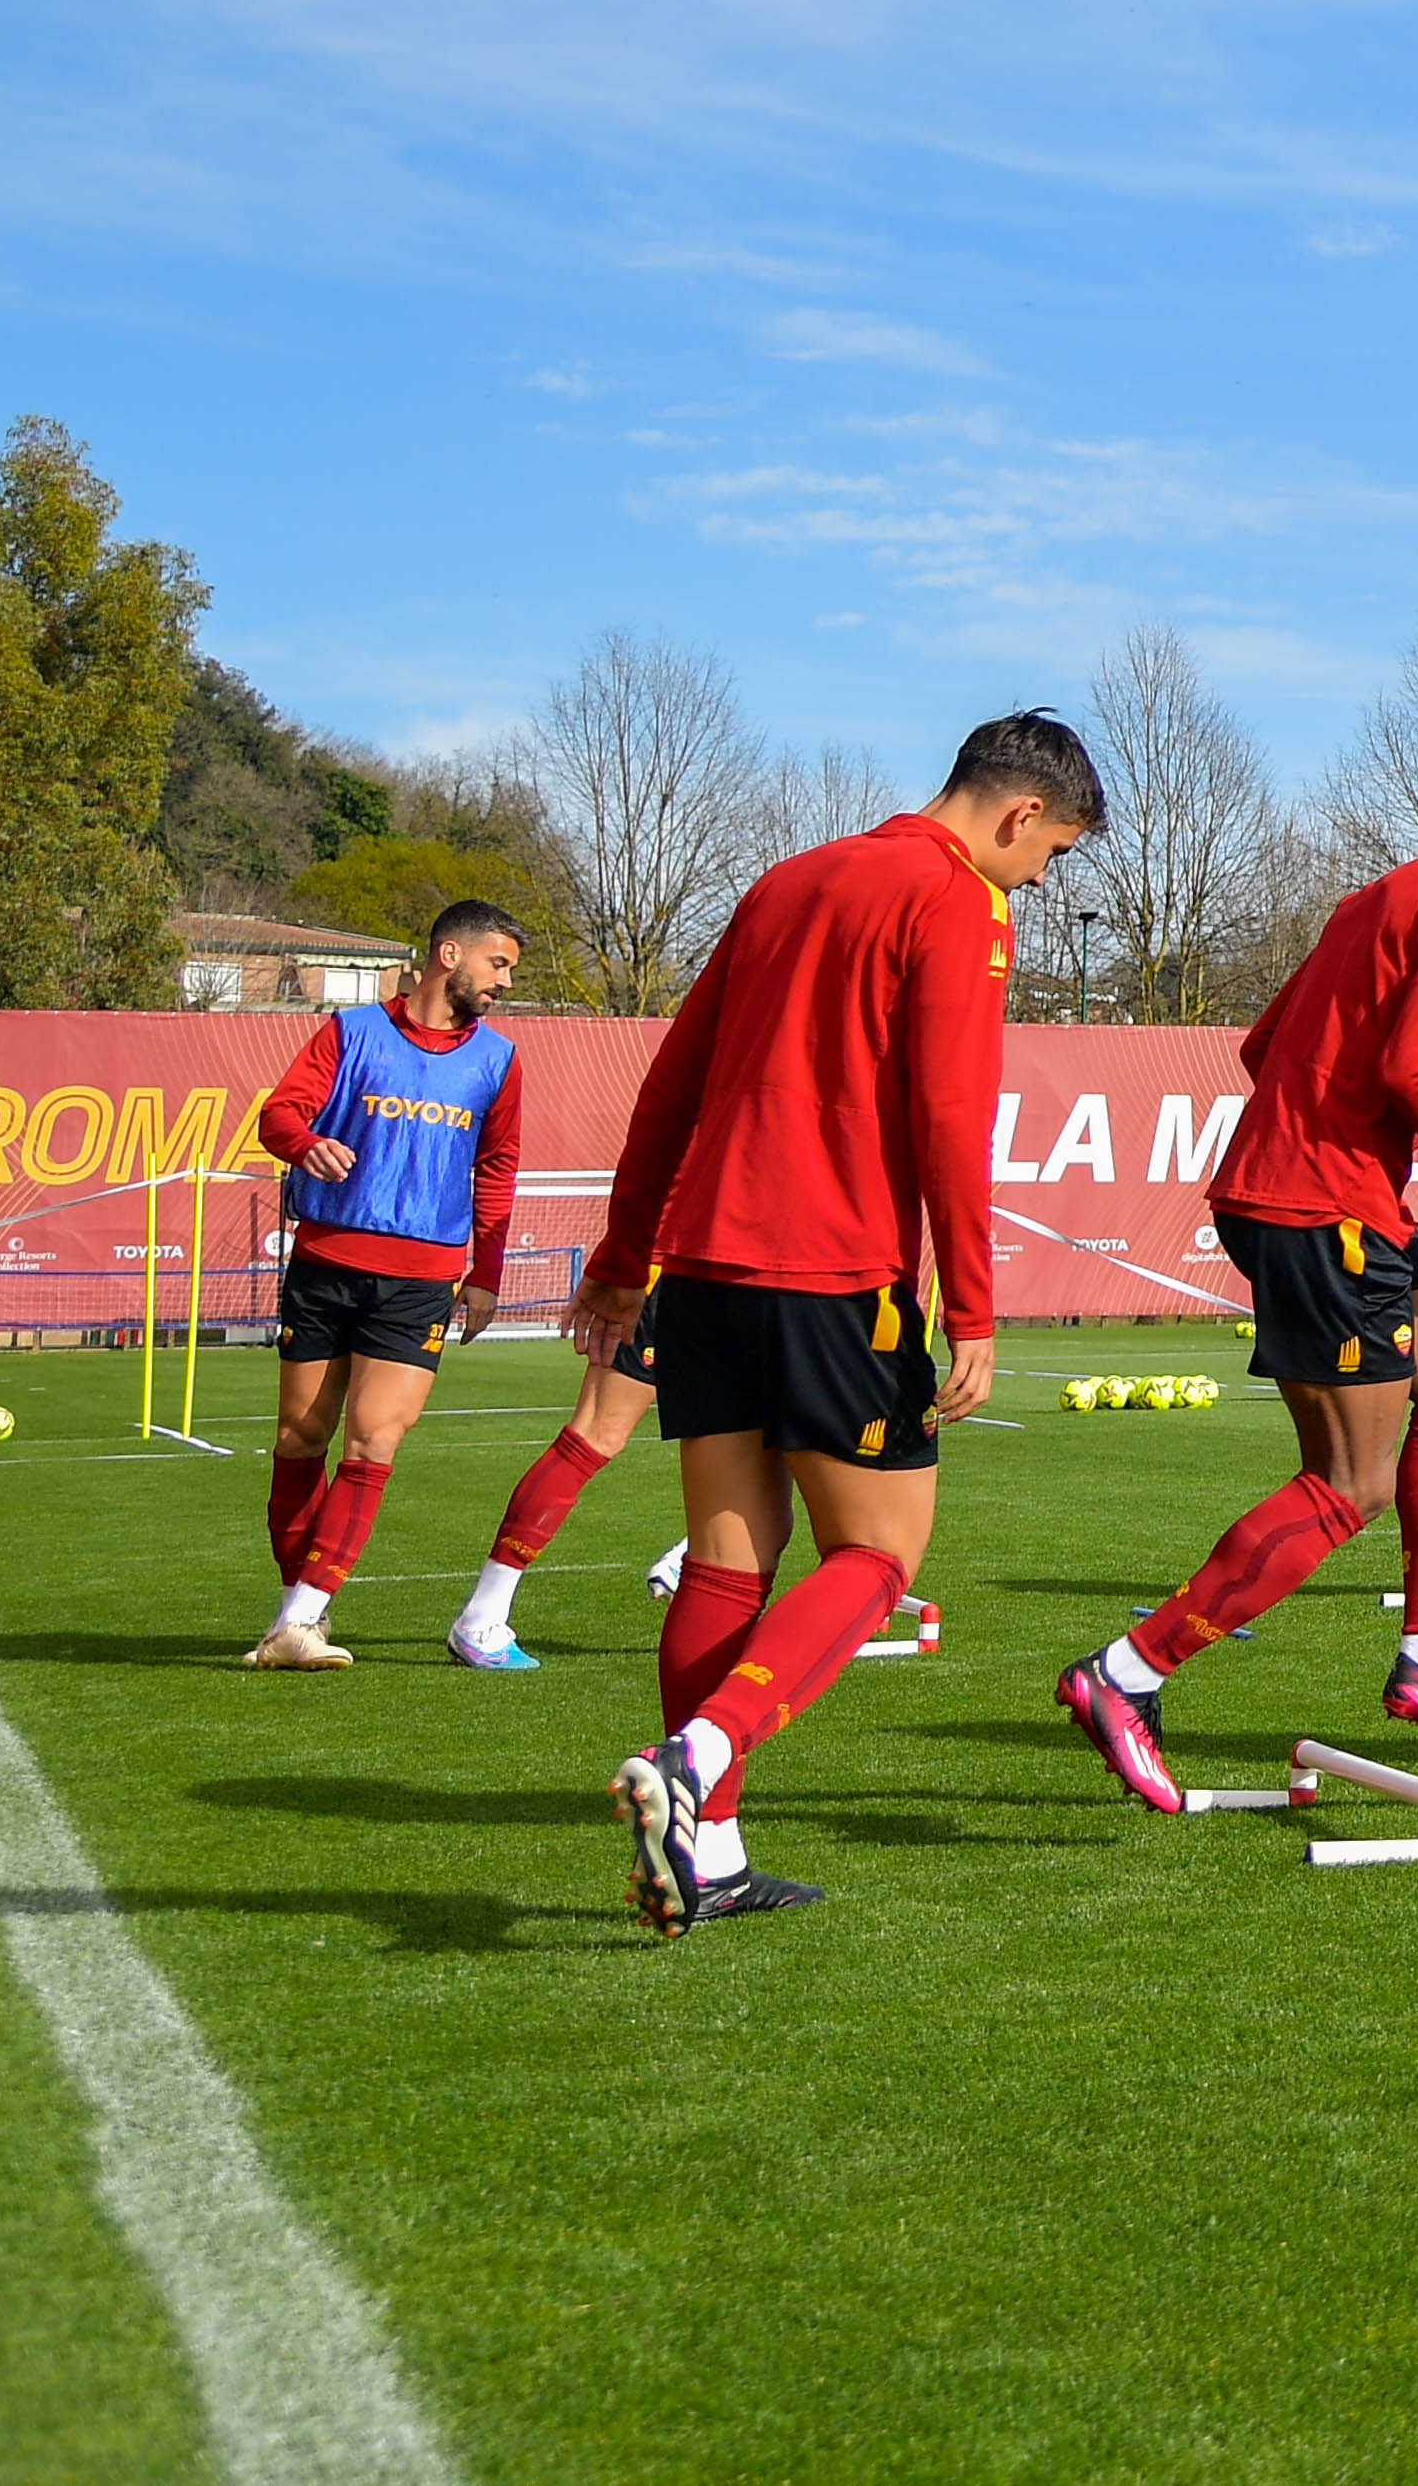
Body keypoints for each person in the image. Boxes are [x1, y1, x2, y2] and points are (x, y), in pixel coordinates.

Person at [592, 714, 1094, 1934]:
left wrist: (621, 1254)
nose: (1041, 877)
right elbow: (948, 1112)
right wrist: (969, 1305)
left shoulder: (787, 878)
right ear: (1020, 813)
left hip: (705, 1266)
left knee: (726, 1556)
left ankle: (708, 1850)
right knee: (876, 1558)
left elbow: (673, 1077)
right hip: (833, 1272)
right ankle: (700, 1754)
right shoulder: (963, 902)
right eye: (1055, 853)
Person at [1059, 760, 1418, 1812]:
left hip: (1331, 1195)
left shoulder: (1389, 891)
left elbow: (1262, 1043)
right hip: (1324, 1209)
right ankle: (1124, 1672)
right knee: (1347, 1485)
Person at [241, 901, 533, 1669]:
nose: (504, 982)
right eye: (497, 964)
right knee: (300, 1438)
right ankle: (294, 1612)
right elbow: (278, 1115)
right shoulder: (349, 1032)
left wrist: (486, 1276)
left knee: (374, 1440)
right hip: (326, 1265)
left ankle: (303, 1616)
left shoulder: (498, 1061)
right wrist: (304, 1145)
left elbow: (497, 1169)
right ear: (448, 954)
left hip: (423, 1279)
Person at [446, 1289, 659, 1673]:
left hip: (732, 1285)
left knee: (747, 1437)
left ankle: (688, 1558)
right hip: (689, 1283)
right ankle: (482, 1618)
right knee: (594, 1436)